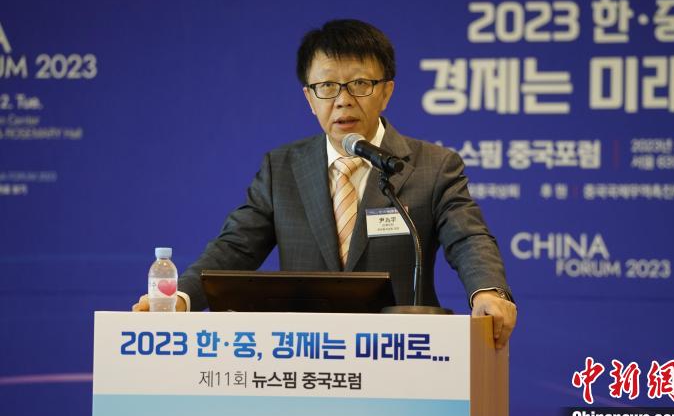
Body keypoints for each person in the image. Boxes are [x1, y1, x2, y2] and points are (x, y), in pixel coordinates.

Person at [133, 19, 517, 349]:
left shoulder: (432, 165)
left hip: (401, 352)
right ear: (309, 98)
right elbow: (235, 247)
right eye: (328, 86)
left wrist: (488, 291)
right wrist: (178, 298)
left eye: (360, 84)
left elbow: (468, 238)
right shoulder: (283, 167)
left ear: (386, 91)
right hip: (308, 354)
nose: (343, 100)